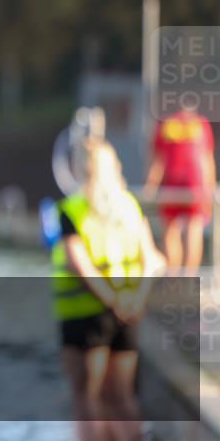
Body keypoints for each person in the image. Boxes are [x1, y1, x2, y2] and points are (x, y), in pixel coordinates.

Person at [52, 138, 165, 441]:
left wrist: (112, 301)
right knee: (122, 397)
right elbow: (154, 259)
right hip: (129, 313)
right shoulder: (128, 205)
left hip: (86, 314)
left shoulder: (73, 209)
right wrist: (134, 299)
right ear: (115, 168)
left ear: (80, 170)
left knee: (86, 397)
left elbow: (80, 265)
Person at [145, 107, 217, 274]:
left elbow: (158, 160)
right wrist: (209, 187)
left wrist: (151, 185)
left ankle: (175, 275)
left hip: (178, 182)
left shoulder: (167, 124)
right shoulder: (198, 124)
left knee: (174, 230)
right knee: (191, 228)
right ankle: (187, 275)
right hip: (193, 183)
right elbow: (207, 159)